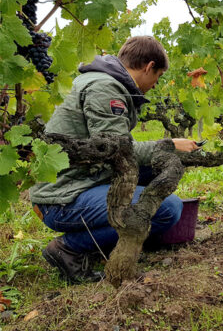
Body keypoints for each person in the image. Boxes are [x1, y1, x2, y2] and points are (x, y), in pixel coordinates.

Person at [29, 36, 199, 283]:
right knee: (167, 209)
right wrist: (170, 145)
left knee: (156, 171)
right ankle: (69, 248)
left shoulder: (108, 82)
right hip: (61, 198)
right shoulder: (105, 88)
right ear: (149, 66)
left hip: (82, 179)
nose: (155, 85)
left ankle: (107, 241)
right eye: (158, 77)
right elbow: (118, 150)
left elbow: (114, 148)